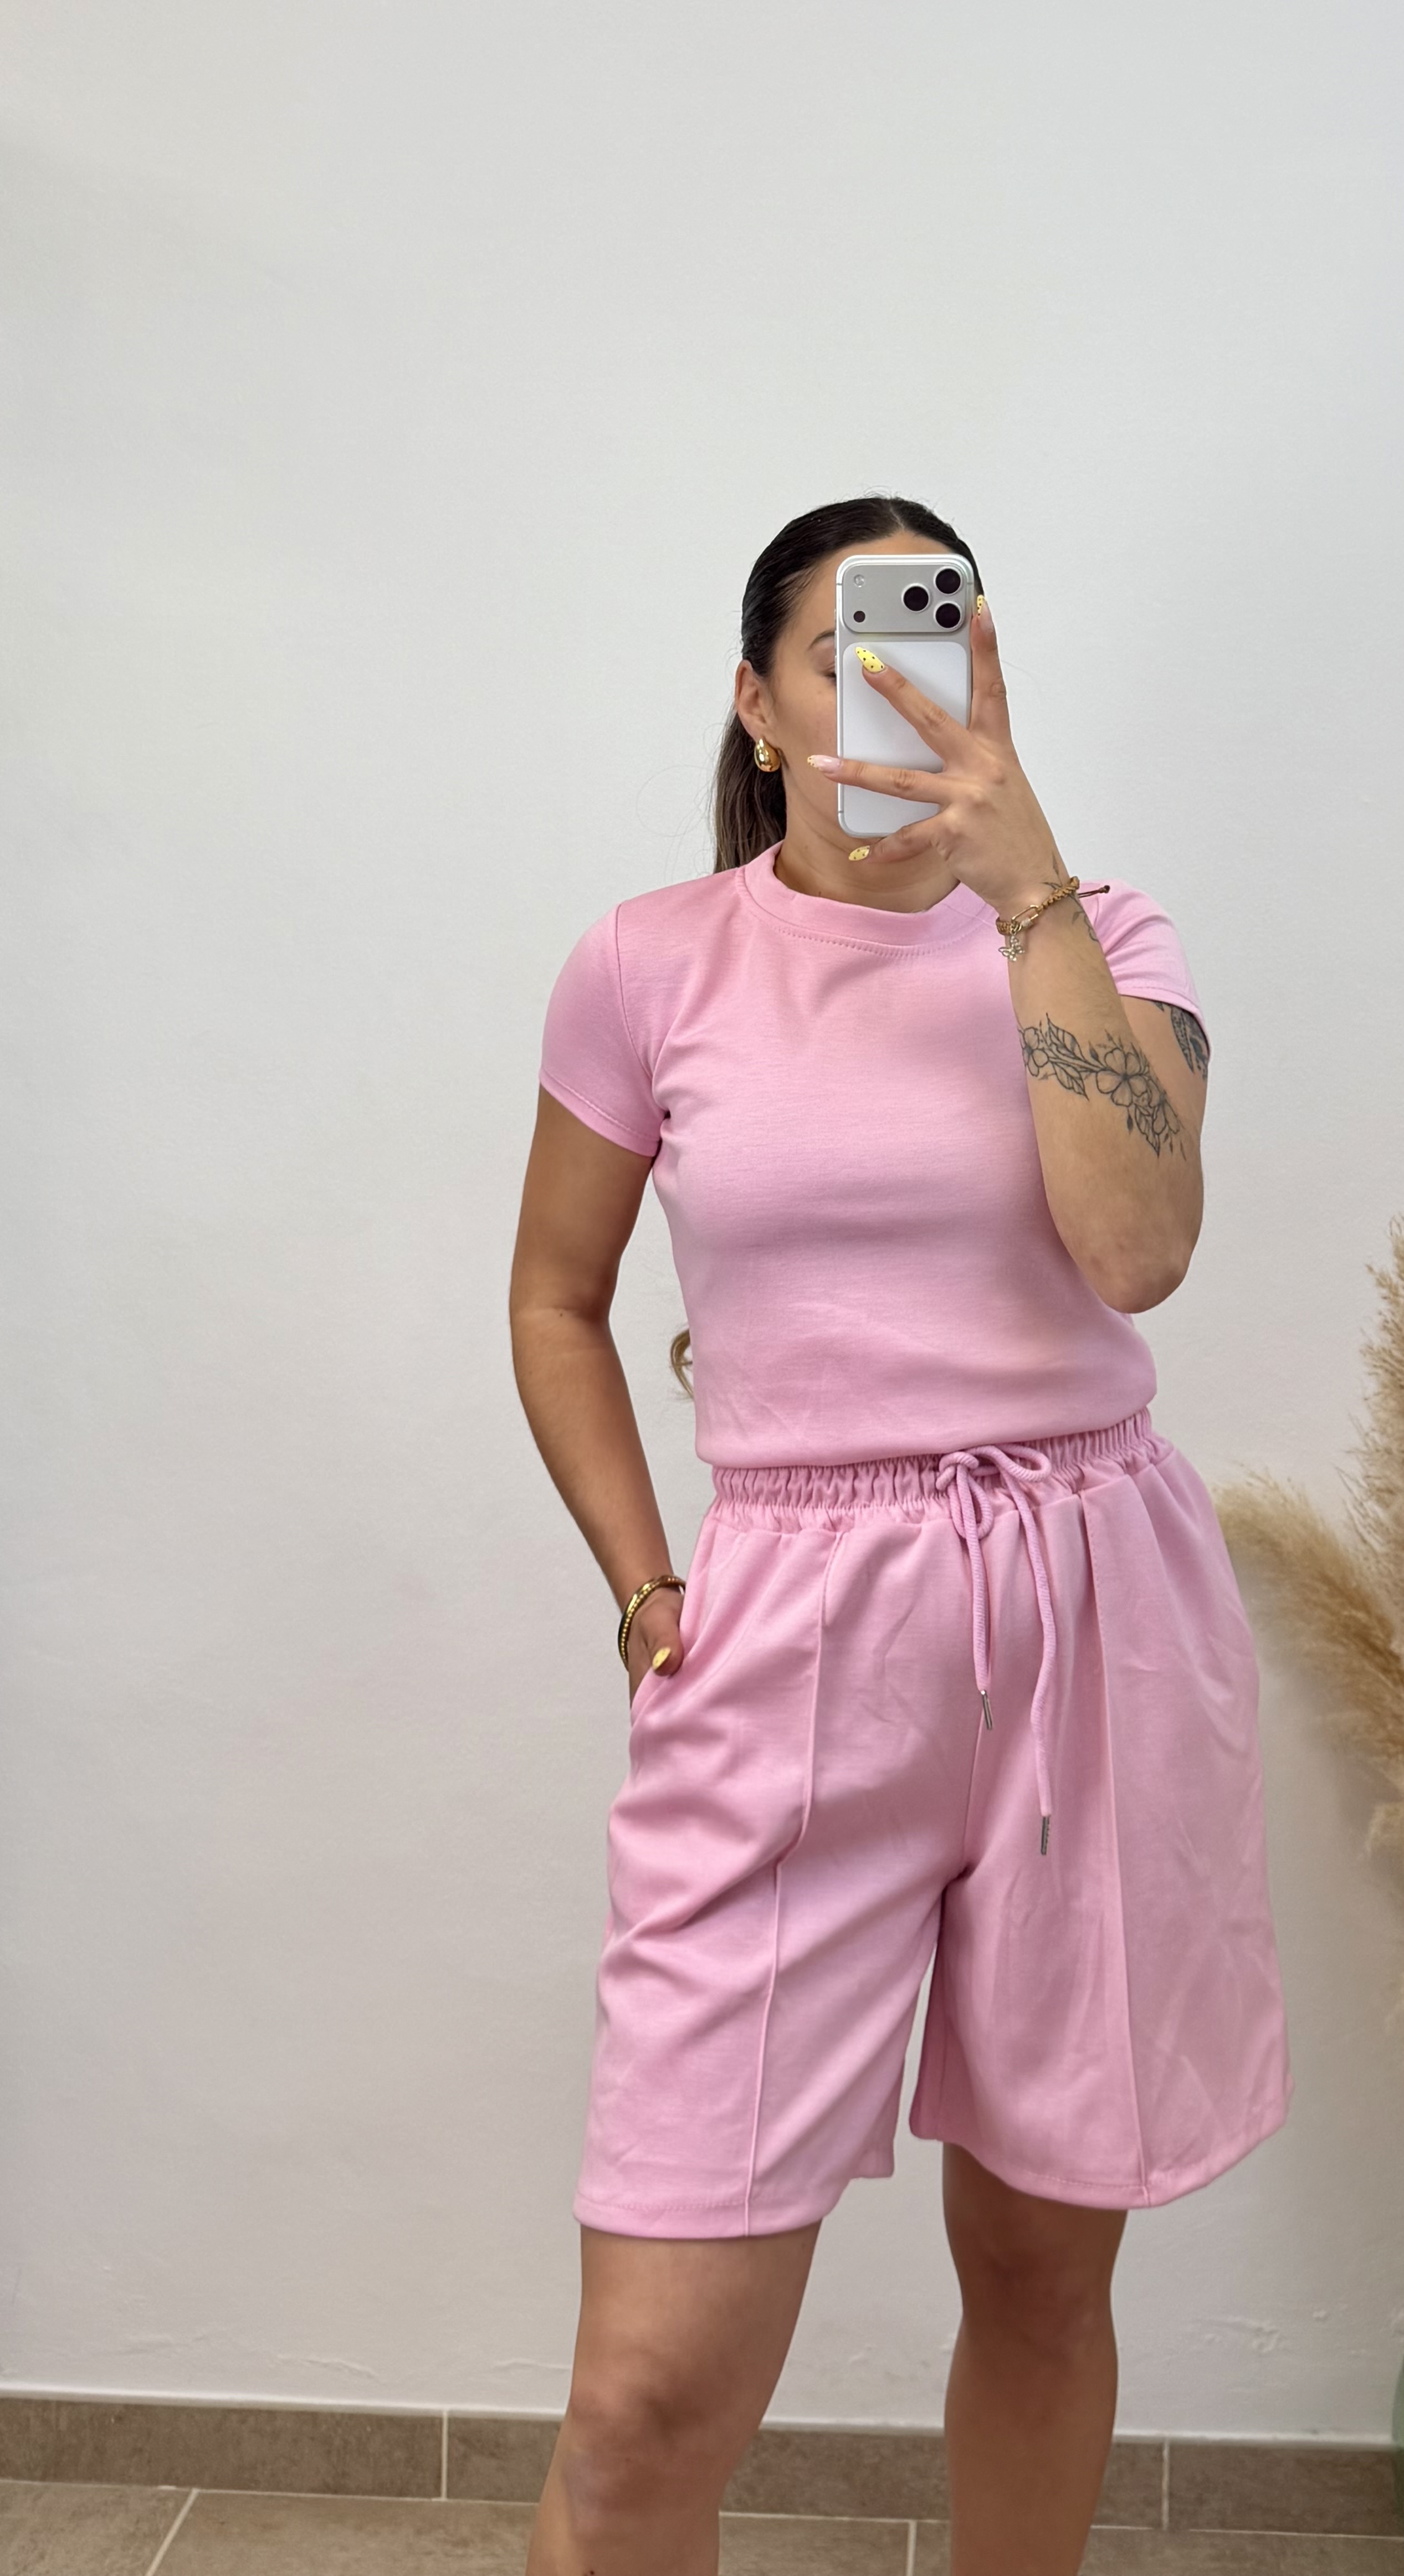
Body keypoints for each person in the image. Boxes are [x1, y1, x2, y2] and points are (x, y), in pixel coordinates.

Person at [509, 496, 1292, 2576]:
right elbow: (556, 1300)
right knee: (644, 2399)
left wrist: (1024, 887)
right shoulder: (650, 963)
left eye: (943, 648)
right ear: (758, 703)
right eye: (847, 654)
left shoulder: (1109, 937)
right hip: (790, 1630)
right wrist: (647, 1587)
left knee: (1039, 2276)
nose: (897, 693)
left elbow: (1138, 1250)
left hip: (1091, 1617)